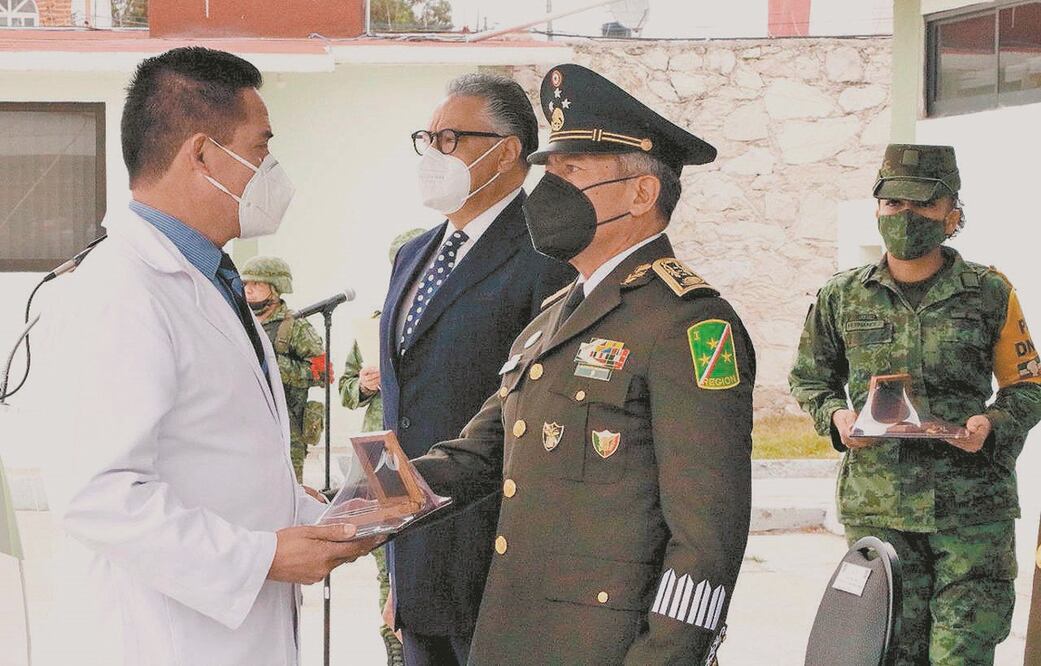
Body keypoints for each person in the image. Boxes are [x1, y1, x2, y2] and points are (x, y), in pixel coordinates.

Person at [32, 47, 374, 664]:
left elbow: (218, 451)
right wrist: (262, 557)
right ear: (202, 154)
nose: (271, 168)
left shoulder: (210, 275)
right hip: (166, 639)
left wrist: (313, 517)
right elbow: (100, 493)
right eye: (261, 146)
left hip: (237, 632)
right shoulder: (118, 289)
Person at [409, 63, 756, 664]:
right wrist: (371, 492)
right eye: (550, 172)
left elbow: (707, 540)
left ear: (642, 194)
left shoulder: (689, 325)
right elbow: (479, 455)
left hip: (609, 649)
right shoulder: (555, 314)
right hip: (513, 634)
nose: (548, 191)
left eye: (571, 172)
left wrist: (665, 657)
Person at [789, 144, 1041, 664]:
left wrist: (992, 424)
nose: (906, 218)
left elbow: (1029, 384)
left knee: (961, 654)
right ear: (877, 209)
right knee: (885, 652)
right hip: (880, 507)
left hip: (971, 511)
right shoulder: (842, 296)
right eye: (893, 205)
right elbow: (810, 378)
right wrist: (836, 418)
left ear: (953, 215)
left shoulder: (990, 292)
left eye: (924, 206)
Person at [378, 73, 575, 665]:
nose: (434, 154)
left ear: (508, 150)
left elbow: (546, 417)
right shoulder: (413, 254)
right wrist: (396, 573)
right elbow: (404, 407)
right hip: (416, 552)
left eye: (450, 139)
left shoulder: (549, 252)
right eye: (427, 139)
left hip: (497, 555)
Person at [339, 227, 424, 666]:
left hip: (426, 448)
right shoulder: (373, 323)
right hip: (380, 453)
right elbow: (346, 390)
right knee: (386, 560)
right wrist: (365, 385)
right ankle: (394, 650)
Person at [242, 256, 329, 482]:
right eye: (246, 284)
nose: (248, 290)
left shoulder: (296, 326)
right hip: (246, 423)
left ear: (276, 289)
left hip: (287, 429)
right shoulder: (241, 323)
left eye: (257, 284)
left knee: (289, 490)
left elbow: (323, 373)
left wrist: (272, 363)